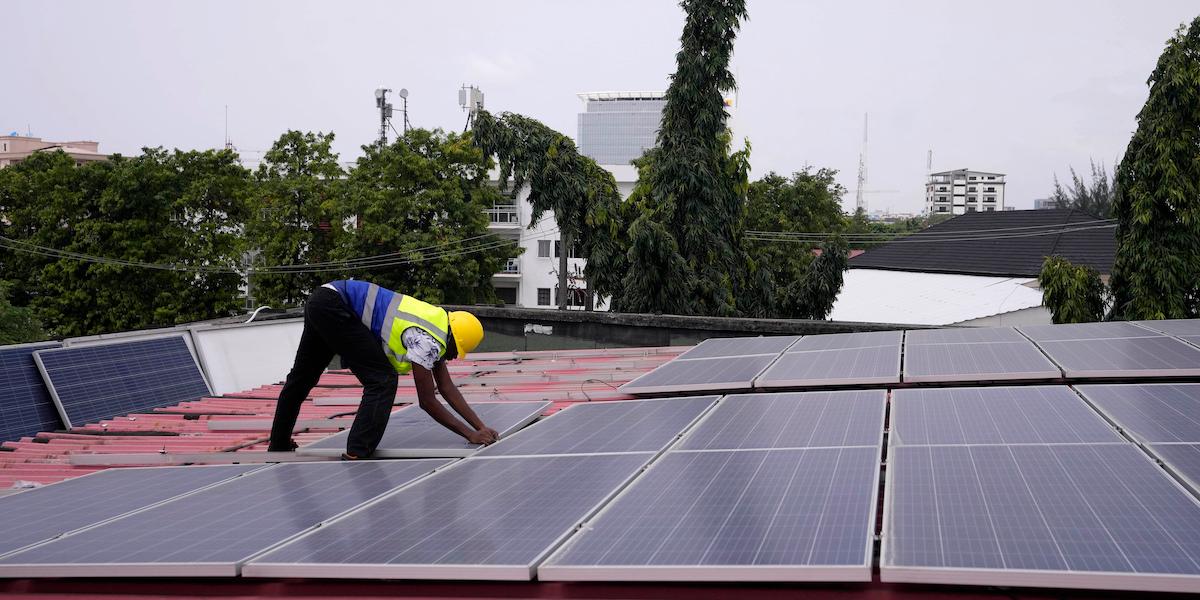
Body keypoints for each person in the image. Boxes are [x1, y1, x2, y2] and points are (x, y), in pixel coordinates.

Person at [268, 280, 499, 459]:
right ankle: (358, 450)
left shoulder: (436, 323)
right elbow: (427, 401)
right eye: (455, 351)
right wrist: (470, 434)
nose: (453, 357)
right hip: (335, 306)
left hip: (323, 299)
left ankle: (278, 444)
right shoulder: (428, 340)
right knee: (382, 380)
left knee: (301, 379)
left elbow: (446, 388)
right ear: (453, 339)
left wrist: (480, 427)